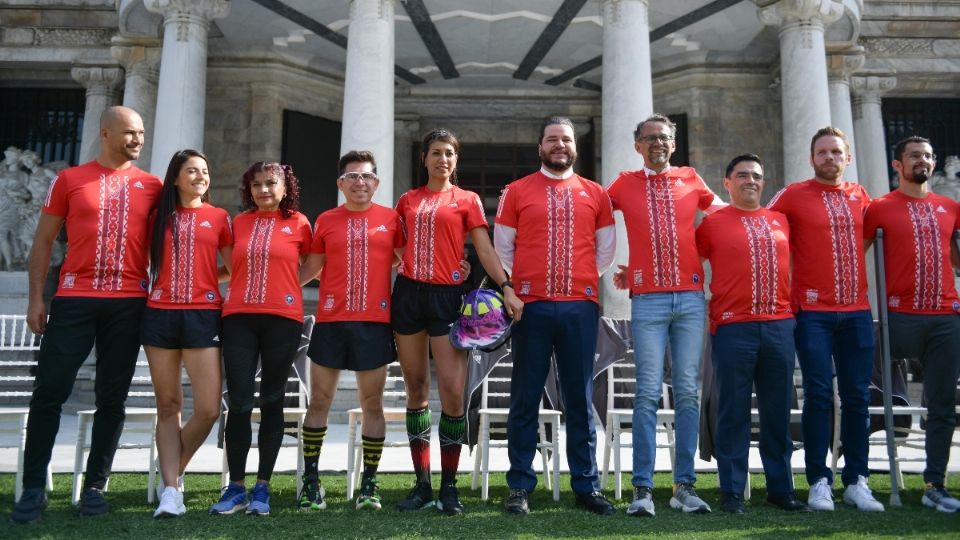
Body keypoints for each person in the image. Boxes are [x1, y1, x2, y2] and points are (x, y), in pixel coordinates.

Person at [11, 106, 162, 523]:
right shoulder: (69, 180)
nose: (137, 139)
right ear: (106, 134)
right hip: (74, 299)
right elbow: (43, 242)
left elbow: (168, 245)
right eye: (130, 132)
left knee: (112, 397)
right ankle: (34, 488)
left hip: (129, 303)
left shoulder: (153, 186)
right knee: (49, 392)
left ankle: (95, 486)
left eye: (142, 133)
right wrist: (36, 300)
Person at [393, 129, 521, 516]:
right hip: (409, 295)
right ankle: (421, 484)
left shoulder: (467, 200)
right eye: (435, 153)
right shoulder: (407, 200)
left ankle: (449, 487)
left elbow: (484, 248)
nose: (442, 159)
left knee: (451, 393)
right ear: (424, 159)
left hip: (448, 299)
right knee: (415, 390)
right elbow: (396, 244)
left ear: (455, 160)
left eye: (448, 153)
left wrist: (507, 287)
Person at [495, 116, 616, 516]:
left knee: (579, 397)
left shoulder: (596, 193)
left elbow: (604, 250)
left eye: (565, 139)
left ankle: (586, 484)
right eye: (551, 139)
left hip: (579, 305)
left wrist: (576, 282)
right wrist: (522, 285)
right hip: (530, 306)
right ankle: (520, 485)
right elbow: (504, 248)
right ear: (540, 147)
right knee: (525, 396)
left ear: (574, 146)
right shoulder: (516, 191)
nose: (559, 145)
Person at [606, 113, 724, 517]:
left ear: (674, 144)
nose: (657, 143)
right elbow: (593, 218)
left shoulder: (691, 178)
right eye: (649, 137)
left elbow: (725, 217)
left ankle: (683, 486)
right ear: (637, 144)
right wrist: (614, 263)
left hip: (692, 298)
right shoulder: (623, 182)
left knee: (689, 391)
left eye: (664, 137)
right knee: (646, 392)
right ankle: (642, 488)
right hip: (649, 301)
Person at [767, 126, 884, 512]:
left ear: (847, 158)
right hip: (812, 311)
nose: (829, 158)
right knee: (817, 394)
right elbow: (762, 231)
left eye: (836, 152)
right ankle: (819, 479)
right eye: (822, 152)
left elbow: (866, 240)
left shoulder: (860, 196)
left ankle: (856, 480)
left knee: (856, 397)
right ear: (812, 158)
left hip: (856, 311)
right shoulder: (794, 195)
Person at [695, 154, 808, 514]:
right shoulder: (712, 223)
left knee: (777, 411)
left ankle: (781, 488)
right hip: (732, 326)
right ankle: (731, 489)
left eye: (756, 176)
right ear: (727, 183)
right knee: (733, 411)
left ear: (763, 182)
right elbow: (688, 263)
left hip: (778, 324)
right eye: (742, 175)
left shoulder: (781, 221)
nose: (750, 181)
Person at [297, 151, 404, 511]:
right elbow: (311, 267)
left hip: (374, 324)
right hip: (330, 322)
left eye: (367, 177)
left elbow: (410, 260)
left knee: (372, 404)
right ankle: (312, 483)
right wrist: (268, 286)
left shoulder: (391, 220)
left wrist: (457, 264)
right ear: (341, 183)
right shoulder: (325, 220)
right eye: (353, 177)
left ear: (376, 182)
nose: (361, 182)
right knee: (320, 402)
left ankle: (369, 485)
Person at [863, 136, 960, 513]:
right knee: (864, 391)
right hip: (897, 316)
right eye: (915, 156)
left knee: (941, 403)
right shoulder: (880, 208)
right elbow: (859, 253)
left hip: (944, 317)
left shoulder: (949, 208)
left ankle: (934, 483)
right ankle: (858, 476)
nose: (923, 161)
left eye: (928, 156)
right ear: (897, 165)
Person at [209, 162, 312, 516]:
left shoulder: (300, 223)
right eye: (256, 185)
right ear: (248, 189)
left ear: (286, 188)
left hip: (283, 320)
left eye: (271, 183)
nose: (264, 190)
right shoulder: (237, 223)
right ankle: (235, 487)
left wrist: (289, 285)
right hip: (237, 318)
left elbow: (314, 263)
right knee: (238, 400)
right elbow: (230, 266)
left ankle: (263, 488)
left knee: (272, 399)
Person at [142, 149, 233, 518]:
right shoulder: (155, 219)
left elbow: (233, 266)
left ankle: (172, 471)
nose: (200, 177)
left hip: (202, 315)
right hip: (159, 315)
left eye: (205, 171)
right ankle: (170, 492)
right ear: (175, 178)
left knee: (209, 407)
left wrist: (210, 280)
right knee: (168, 406)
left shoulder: (219, 217)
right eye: (192, 171)